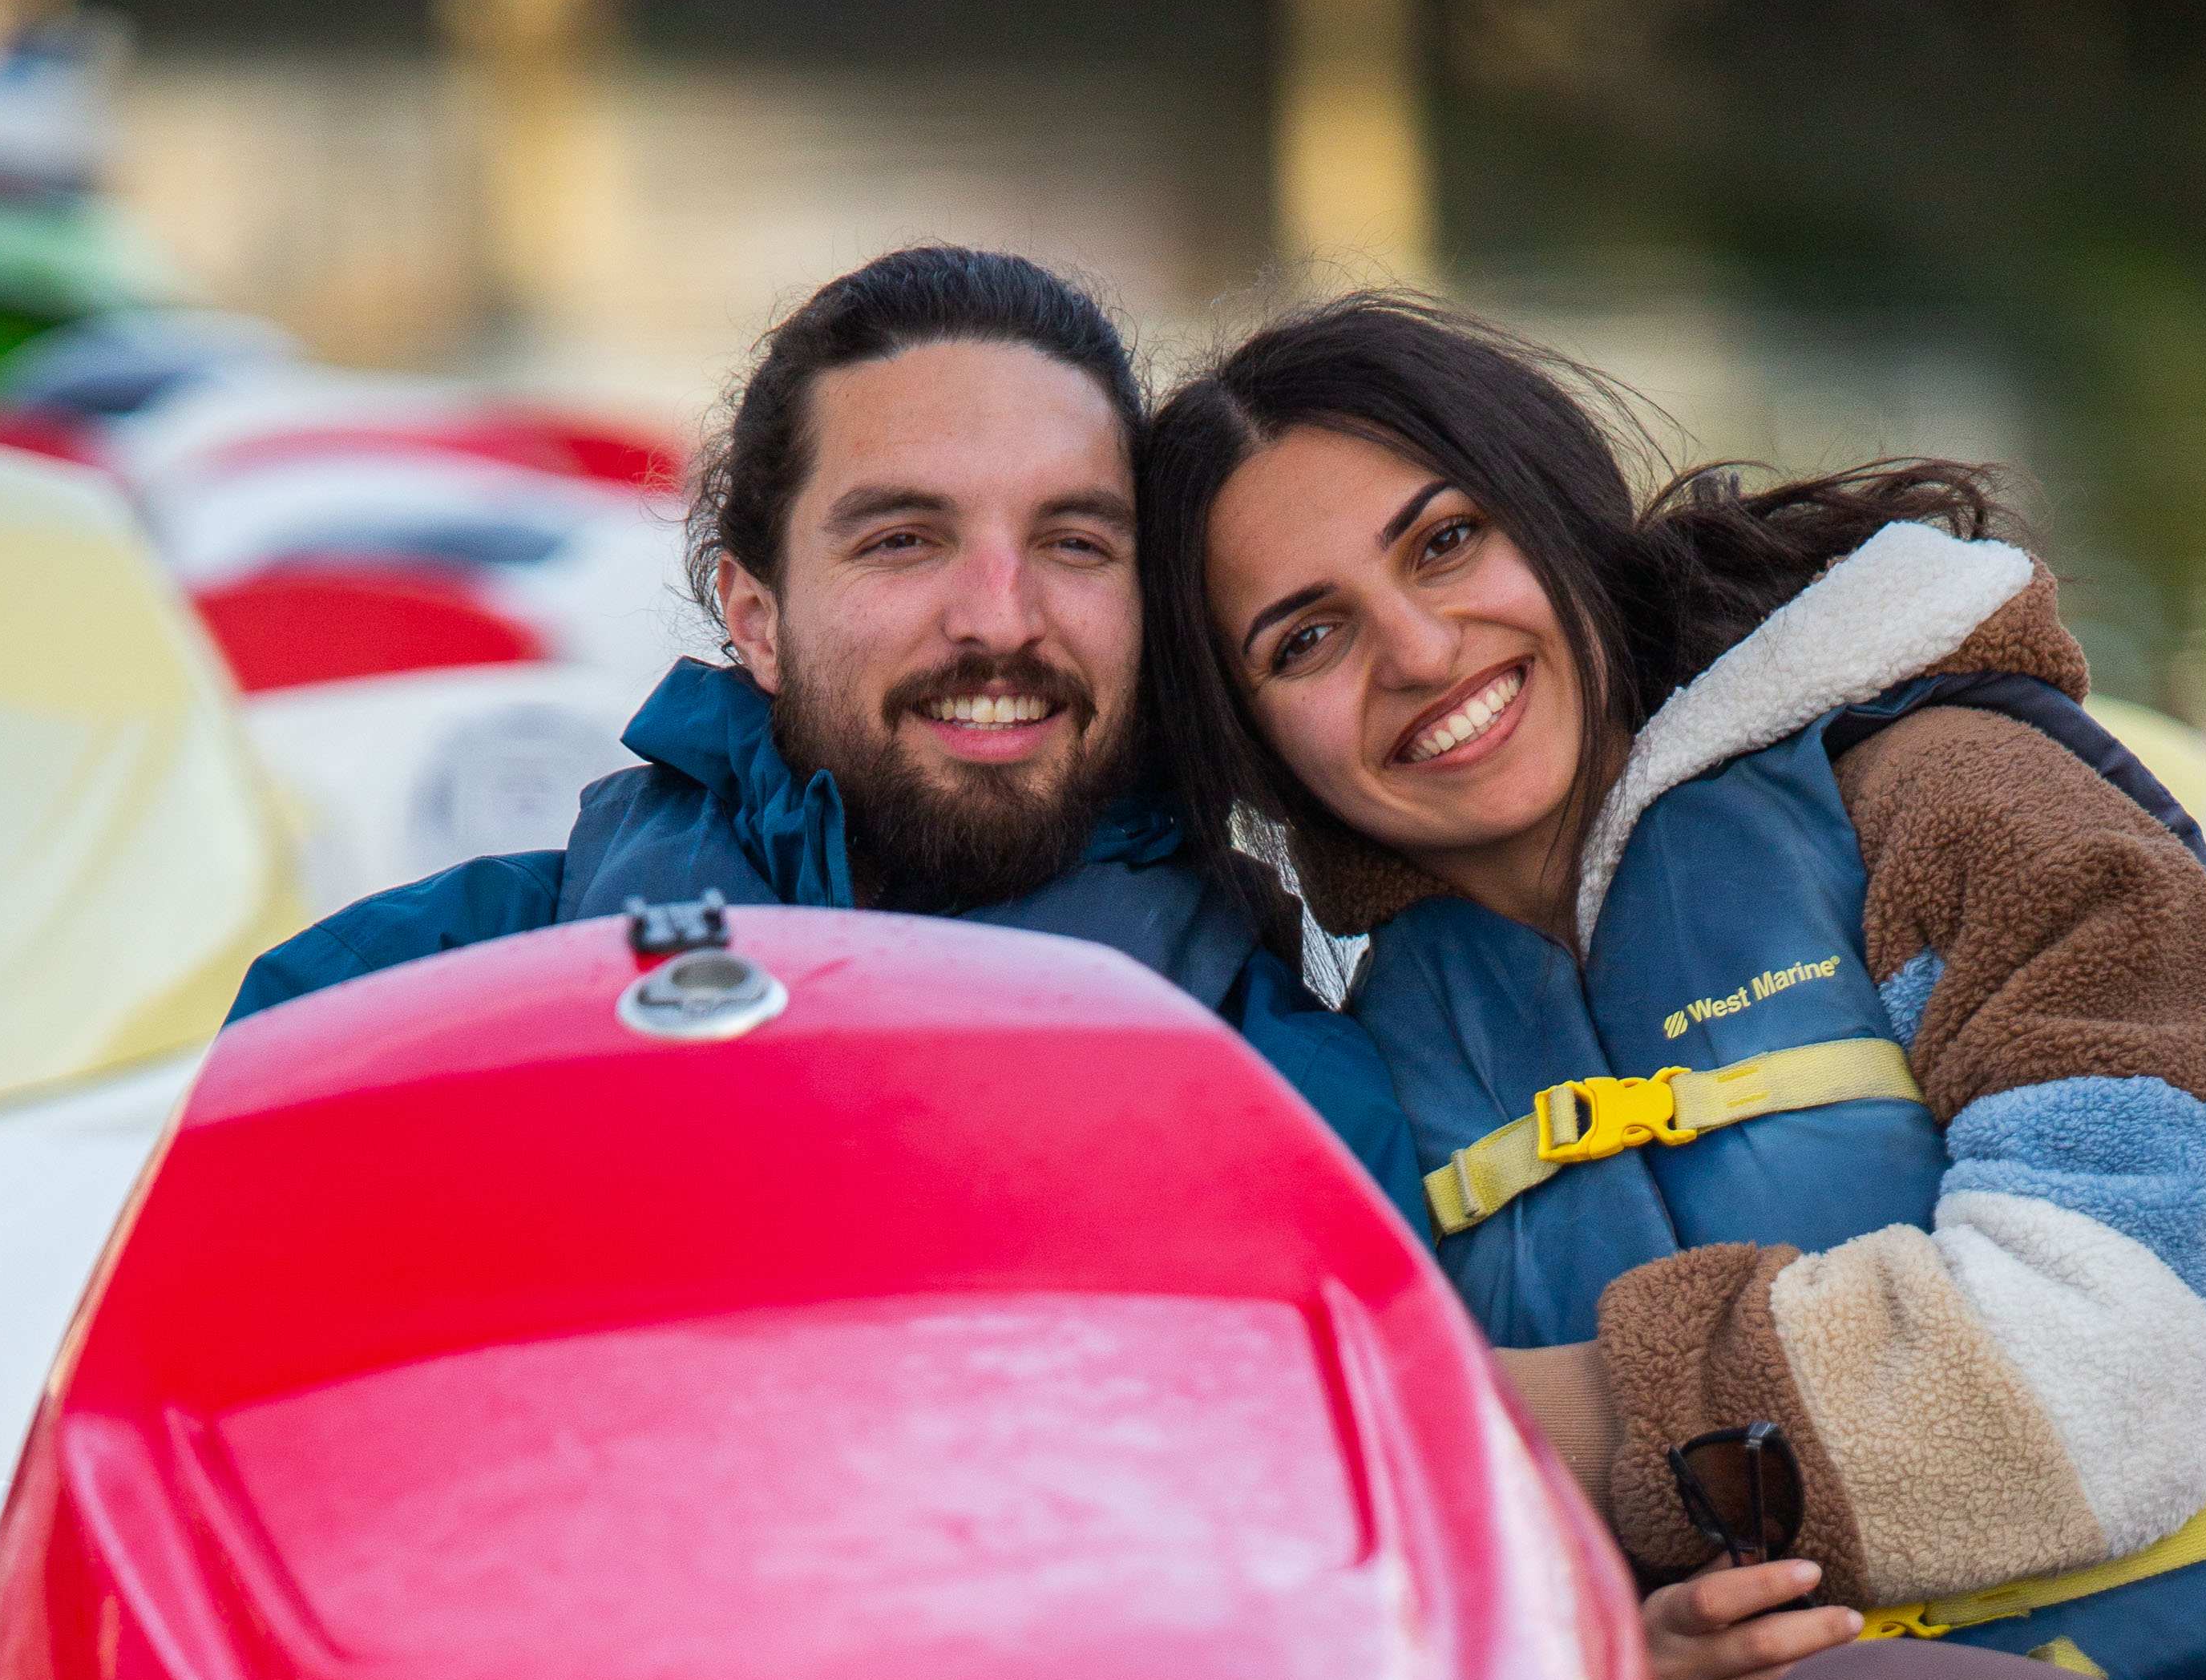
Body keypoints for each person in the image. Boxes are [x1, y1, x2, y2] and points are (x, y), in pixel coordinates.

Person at [1140, 293, 2206, 1680]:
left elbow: (2127, 1352)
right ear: (1250, 738)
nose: (1421, 652)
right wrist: (1637, 1665)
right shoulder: (1366, 1077)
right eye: (1305, 639)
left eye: (1448, 543)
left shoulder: (1952, 797)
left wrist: (1585, 1414)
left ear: (1560, 514)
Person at [228, 246, 1424, 1223]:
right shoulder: (392, 1009)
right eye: (903, 540)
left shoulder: (1302, 1113)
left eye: (1074, 543)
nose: (999, 620)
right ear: (757, 618)